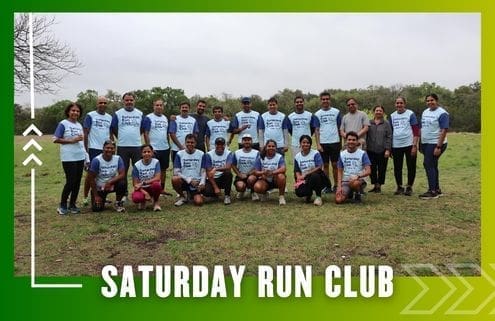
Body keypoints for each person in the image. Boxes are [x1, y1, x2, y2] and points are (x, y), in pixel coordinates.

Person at [53, 102, 88, 215]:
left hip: (79, 156)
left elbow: (81, 142)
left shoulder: (79, 125)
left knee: (77, 182)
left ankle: (72, 205)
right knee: (71, 181)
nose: (75, 112)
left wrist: (86, 157)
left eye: (77, 111)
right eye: (73, 110)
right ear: (68, 112)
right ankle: (63, 205)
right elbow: (55, 139)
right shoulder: (63, 123)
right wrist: (71, 140)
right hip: (68, 157)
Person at [110, 92, 144, 198]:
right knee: (122, 170)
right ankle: (123, 193)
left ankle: (139, 191)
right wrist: (120, 137)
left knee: (138, 169)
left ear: (134, 101)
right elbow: (113, 128)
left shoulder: (140, 113)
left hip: (137, 146)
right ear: (123, 101)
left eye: (131, 100)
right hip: (122, 146)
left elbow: (143, 128)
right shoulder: (118, 113)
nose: (129, 102)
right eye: (127, 100)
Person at [82, 96, 112, 206]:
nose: (103, 104)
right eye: (100, 102)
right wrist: (86, 150)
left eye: (105, 102)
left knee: (103, 173)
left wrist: (112, 146)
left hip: (106, 149)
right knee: (91, 174)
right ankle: (85, 197)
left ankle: (102, 196)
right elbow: (85, 133)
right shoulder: (90, 115)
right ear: (97, 104)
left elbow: (110, 133)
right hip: (94, 148)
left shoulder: (109, 117)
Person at [419, 93, 449, 199]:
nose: (429, 102)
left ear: (436, 100)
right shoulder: (425, 112)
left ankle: (432, 191)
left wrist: (438, 147)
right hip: (426, 143)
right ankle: (436, 189)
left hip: (435, 143)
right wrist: (420, 143)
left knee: (428, 164)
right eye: (427, 101)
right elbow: (422, 128)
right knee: (432, 165)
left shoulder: (442, 113)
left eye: (432, 100)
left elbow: (444, 130)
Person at [389, 96, 420, 196]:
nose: (399, 105)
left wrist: (414, 145)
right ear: (395, 104)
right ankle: (399, 187)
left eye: (401, 103)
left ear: (404, 104)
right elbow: (390, 132)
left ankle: (409, 187)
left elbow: (415, 131)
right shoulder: (392, 116)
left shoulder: (410, 114)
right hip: (396, 145)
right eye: (397, 103)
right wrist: (389, 148)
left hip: (409, 144)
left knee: (411, 166)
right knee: (397, 167)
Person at [86, 140, 126, 213]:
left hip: (112, 185)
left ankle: (118, 203)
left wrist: (110, 182)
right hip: (100, 187)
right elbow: (91, 179)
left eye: (112, 148)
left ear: (115, 149)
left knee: (122, 183)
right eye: (107, 148)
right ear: (103, 148)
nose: (109, 150)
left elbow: (122, 174)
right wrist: (96, 195)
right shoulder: (96, 160)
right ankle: (101, 198)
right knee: (97, 209)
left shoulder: (118, 158)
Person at [143, 98, 172, 195]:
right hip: (154, 149)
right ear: (153, 106)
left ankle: (162, 189)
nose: (159, 107)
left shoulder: (165, 118)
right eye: (157, 105)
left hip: (164, 148)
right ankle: (152, 189)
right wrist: (150, 148)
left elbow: (167, 134)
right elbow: (146, 133)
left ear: (163, 107)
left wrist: (168, 145)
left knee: (163, 169)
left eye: (161, 105)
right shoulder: (148, 117)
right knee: (153, 170)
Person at [314, 92, 341, 192]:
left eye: (327, 99)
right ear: (320, 101)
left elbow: (339, 128)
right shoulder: (317, 114)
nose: (325, 101)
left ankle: (336, 185)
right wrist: (318, 144)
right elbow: (316, 130)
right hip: (323, 143)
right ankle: (327, 186)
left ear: (330, 100)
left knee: (335, 165)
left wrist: (340, 143)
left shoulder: (336, 112)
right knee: (325, 165)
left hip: (335, 142)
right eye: (323, 99)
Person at [335, 131, 371, 204]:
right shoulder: (342, 154)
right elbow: (339, 171)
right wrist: (339, 186)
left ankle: (358, 195)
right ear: (346, 141)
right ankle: (350, 193)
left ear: (357, 141)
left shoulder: (362, 154)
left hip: (358, 180)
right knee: (338, 200)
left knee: (354, 183)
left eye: (353, 140)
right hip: (346, 180)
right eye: (349, 140)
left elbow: (368, 171)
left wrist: (357, 176)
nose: (351, 142)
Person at [172, 134, 206, 206]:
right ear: (185, 143)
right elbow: (176, 172)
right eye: (188, 142)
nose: (190, 144)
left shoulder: (201, 154)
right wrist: (189, 180)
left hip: (196, 182)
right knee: (175, 179)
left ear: (195, 143)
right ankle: (183, 196)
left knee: (199, 202)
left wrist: (202, 183)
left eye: (192, 142)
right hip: (184, 180)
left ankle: (191, 195)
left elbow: (203, 170)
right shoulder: (179, 154)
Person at [294, 135, 327, 206]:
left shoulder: (315, 153)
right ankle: (308, 194)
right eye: (303, 142)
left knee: (314, 176)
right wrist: (298, 179)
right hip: (304, 178)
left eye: (308, 143)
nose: (305, 144)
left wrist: (307, 174)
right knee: (299, 192)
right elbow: (297, 170)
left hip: (317, 177)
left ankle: (318, 197)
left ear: (310, 144)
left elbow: (319, 167)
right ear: (300, 144)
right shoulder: (297, 156)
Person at [366, 105, 392, 193]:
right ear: (374, 112)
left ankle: (379, 185)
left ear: (383, 113)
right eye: (377, 110)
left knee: (382, 168)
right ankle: (374, 184)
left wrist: (388, 149)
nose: (378, 112)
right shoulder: (369, 123)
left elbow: (389, 137)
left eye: (380, 111)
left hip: (382, 150)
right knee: (372, 168)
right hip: (370, 150)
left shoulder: (386, 123)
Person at [253, 139, 287, 205]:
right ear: (266, 147)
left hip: (275, 179)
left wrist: (272, 172)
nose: (271, 148)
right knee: (257, 187)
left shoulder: (279, 157)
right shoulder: (261, 157)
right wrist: (263, 172)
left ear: (276, 148)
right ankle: (264, 193)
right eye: (269, 146)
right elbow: (255, 171)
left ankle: (281, 197)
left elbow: (283, 168)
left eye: (273, 146)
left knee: (281, 176)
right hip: (265, 179)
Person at [131, 144, 162, 211]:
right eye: (144, 152)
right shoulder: (137, 165)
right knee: (136, 198)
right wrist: (145, 193)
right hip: (141, 189)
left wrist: (143, 183)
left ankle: (156, 202)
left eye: (149, 151)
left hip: (151, 187)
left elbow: (157, 178)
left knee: (157, 185)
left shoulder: (156, 162)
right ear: (141, 154)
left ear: (152, 152)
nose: (147, 154)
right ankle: (143, 201)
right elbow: (135, 184)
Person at [203, 137, 234, 205]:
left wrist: (216, 169)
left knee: (228, 173)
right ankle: (215, 194)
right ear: (215, 145)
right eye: (218, 144)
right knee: (206, 191)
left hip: (223, 177)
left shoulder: (228, 153)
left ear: (225, 145)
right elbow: (209, 172)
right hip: (212, 178)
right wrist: (215, 187)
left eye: (222, 144)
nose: (220, 146)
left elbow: (228, 167)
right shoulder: (209, 154)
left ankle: (227, 196)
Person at [287, 95, 318, 160]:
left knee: (308, 163)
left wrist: (307, 137)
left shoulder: (310, 115)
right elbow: (290, 130)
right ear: (294, 104)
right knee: (297, 164)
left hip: (307, 144)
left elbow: (312, 128)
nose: (299, 103)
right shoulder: (290, 116)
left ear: (303, 103)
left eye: (301, 102)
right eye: (297, 102)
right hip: (295, 144)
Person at [231, 133, 260, 200]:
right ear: (242, 142)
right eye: (245, 140)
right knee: (240, 186)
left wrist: (247, 174)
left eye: (249, 140)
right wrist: (239, 174)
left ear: (252, 142)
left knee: (251, 179)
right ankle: (241, 191)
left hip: (252, 175)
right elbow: (233, 164)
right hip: (241, 175)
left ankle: (253, 192)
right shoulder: (237, 152)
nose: (247, 142)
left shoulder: (256, 153)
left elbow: (257, 167)